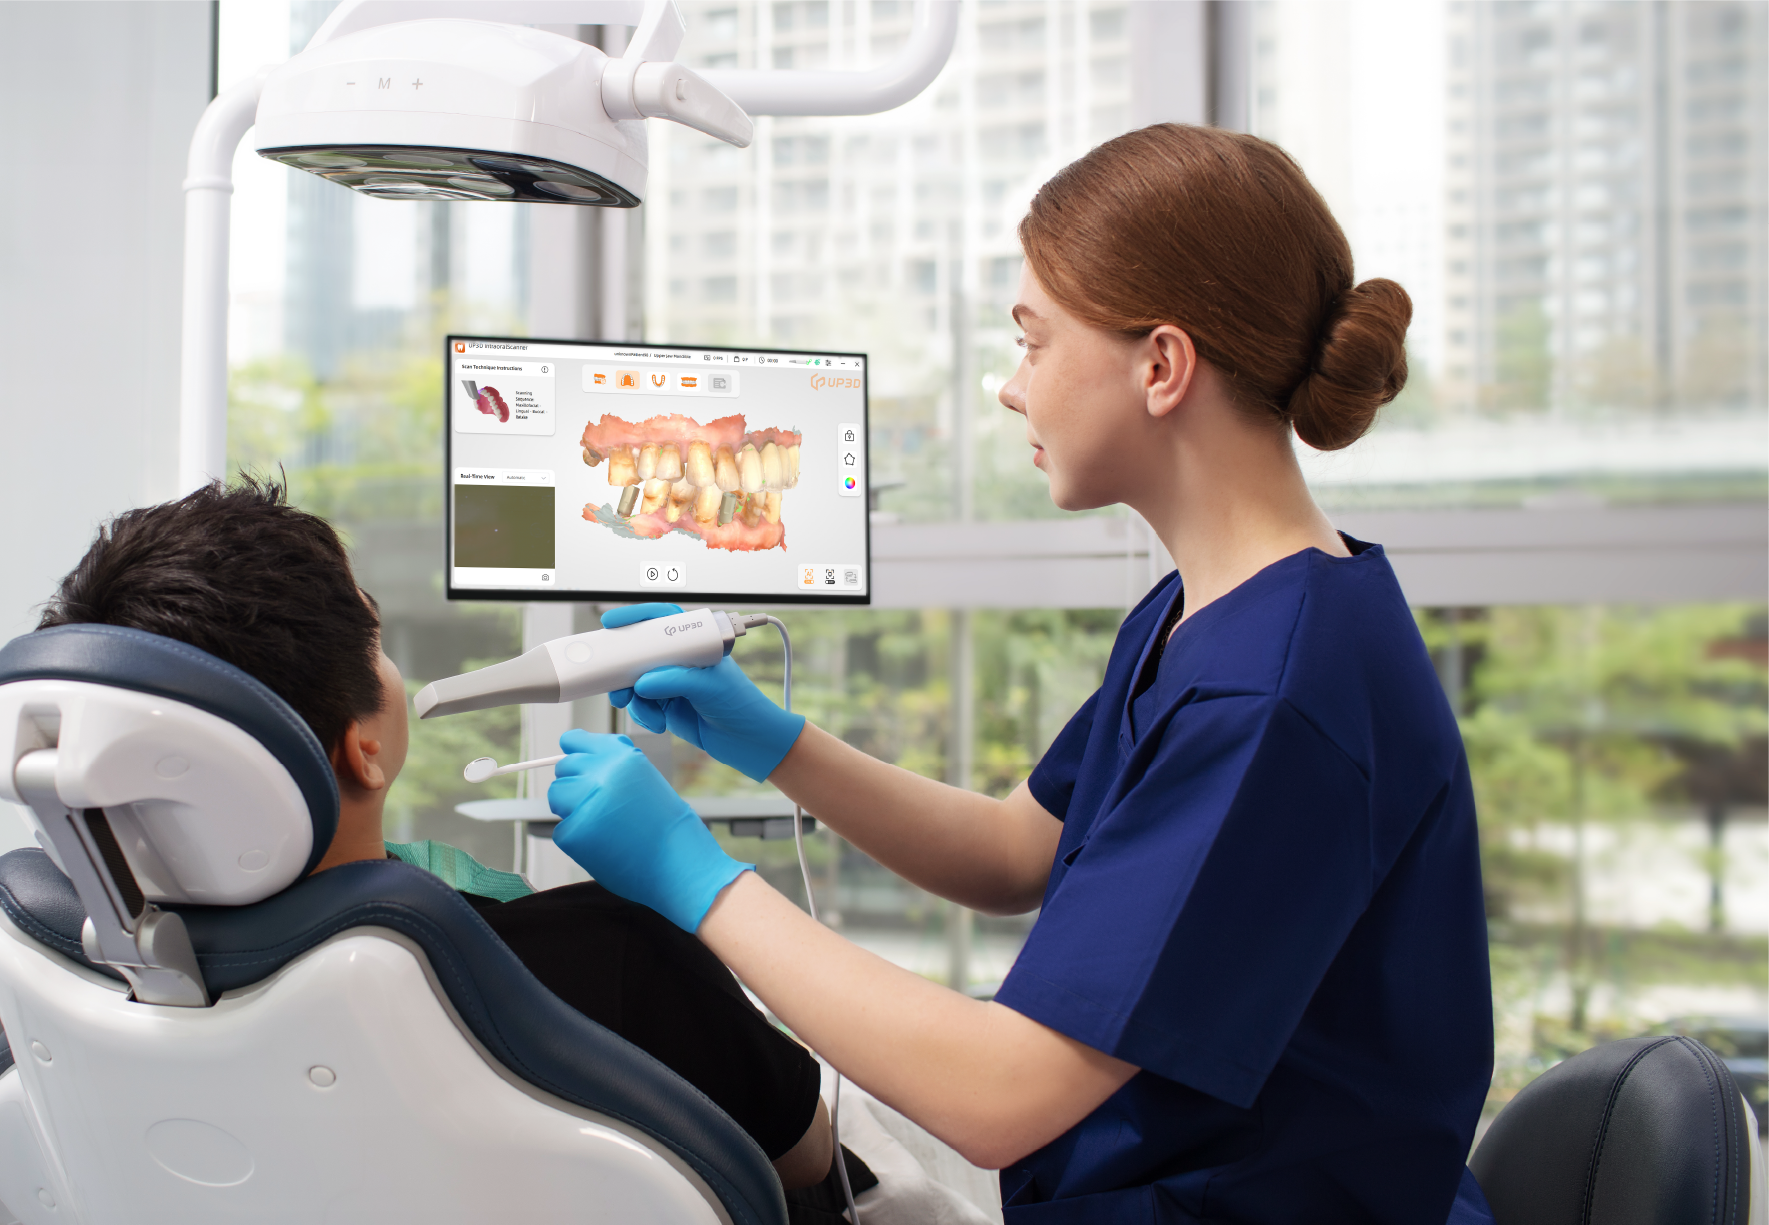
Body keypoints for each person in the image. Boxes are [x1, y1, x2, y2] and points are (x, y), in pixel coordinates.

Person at [544, 124, 1496, 1223]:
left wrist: (688, 874)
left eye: (1035, 343)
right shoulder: (1215, 612)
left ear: (1162, 365)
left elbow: (1000, 1095)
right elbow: (1013, 852)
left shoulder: (1273, 696)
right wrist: (771, 741)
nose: (1010, 387)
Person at [29, 480, 859, 1207]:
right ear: (365, 746)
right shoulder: (611, 953)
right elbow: (808, 1155)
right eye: (377, 641)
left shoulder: (67, 973)